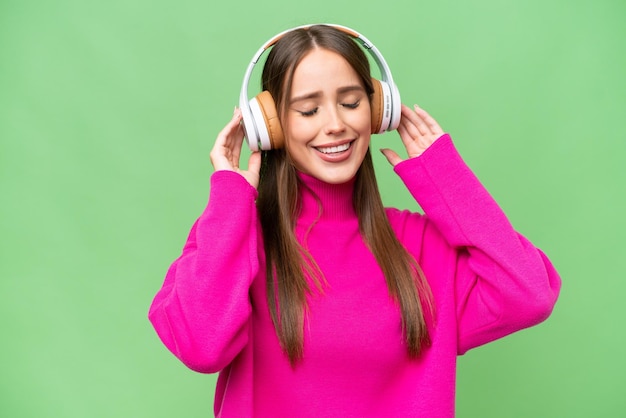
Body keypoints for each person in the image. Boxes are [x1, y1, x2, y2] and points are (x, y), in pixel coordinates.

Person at [148, 24, 561, 417]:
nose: (336, 125)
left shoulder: (417, 244)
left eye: (350, 103)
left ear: (379, 110)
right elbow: (201, 346)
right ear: (269, 127)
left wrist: (446, 177)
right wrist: (230, 198)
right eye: (308, 110)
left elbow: (529, 294)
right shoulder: (235, 238)